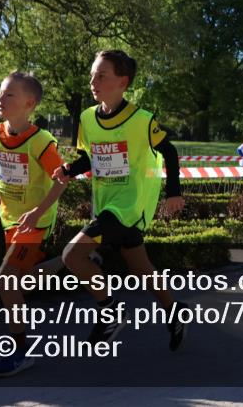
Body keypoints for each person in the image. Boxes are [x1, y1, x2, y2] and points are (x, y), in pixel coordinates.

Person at [52, 50, 189, 351]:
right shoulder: (88, 118)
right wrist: (68, 170)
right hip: (107, 203)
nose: (93, 81)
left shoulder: (141, 120)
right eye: (92, 75)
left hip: (127, 206)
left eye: (101, 76)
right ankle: (175, 312)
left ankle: (110, 311)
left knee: (72, 255)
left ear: (122, 82)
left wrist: (174, 192)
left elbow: (170, 151)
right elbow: (89, 157)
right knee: (143, 269)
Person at [0, 71, 67, 377]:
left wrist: (37, 212)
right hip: (9, 218)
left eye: (9, 95)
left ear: (29, 103)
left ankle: (20, 352)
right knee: (21, 282)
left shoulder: (41, 142)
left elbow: (62, 181)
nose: (0, 99)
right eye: (1, 93)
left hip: (35, 221)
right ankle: (67, 262)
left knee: (6, 280)